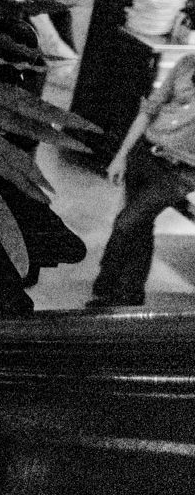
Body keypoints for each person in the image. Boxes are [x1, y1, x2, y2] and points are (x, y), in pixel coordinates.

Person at [92, 53, 195, 308]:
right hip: (145, 153)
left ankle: (108, 277)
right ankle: (130, 292)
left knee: (127, 223)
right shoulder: (186, 63)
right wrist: (121, 156)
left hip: (180, 171)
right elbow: (149, 111)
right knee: (140, 225)